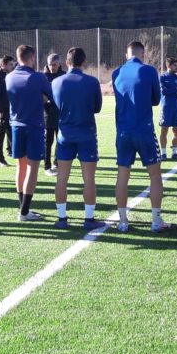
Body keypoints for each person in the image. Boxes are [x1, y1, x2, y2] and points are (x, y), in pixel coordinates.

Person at [112, 41, 171, 233]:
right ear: (142, 54)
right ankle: (156, 221)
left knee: (122, 176)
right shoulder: (149, 71)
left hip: (123, 131)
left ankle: (122, 222)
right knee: (155, 175)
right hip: (144, 130)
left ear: (126, 54)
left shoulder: (116, 72)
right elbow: (156, 99)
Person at [51, 47, 107, 230]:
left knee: (62, 178)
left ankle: (62, 218)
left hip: (65, 135)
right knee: (89, 179)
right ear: (84, 62)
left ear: (67, 62)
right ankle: (88, 219)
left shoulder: (57, 82)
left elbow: (57, 106)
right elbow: (97, 108)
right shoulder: (92, 82)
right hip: (87, 134)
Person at [7, 45, 52, 222]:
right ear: (32, 57)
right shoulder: (38, 77)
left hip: (16, 125)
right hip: (34, 126)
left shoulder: (9, 77)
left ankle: (22, 207)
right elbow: (52, 96)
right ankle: (24, 212)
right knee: (33, 168)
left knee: (21, 166)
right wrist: (43, 98)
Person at [43, 53, 66, 176]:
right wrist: (46, 101)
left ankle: (56, 163)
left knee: (60, 140)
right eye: (50, 64)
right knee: (48, 141)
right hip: (47, 114)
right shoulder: (43, 77)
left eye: (54, 64)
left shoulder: (64, 75)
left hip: (61, 114)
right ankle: (46, 166)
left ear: (59, 64)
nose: (52, 67)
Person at [0, 55, 15, 167]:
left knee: (10, 130)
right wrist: (0, 110)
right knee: (0, 133)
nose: (12, 66)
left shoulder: (8, 75)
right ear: (3, 65)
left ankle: (11, 151)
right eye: (10, 64)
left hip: (7, 108)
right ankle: (0, 160)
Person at [158, 57, 177, 160]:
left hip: (176, 108)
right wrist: (175, 89)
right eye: (175, 65)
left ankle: (174, 153)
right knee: (164, 130)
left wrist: (171, 90)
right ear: (168, 66)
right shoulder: (162, 77)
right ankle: (163, 153)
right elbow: (164, 91)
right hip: (166, 108)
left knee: (176, 131)